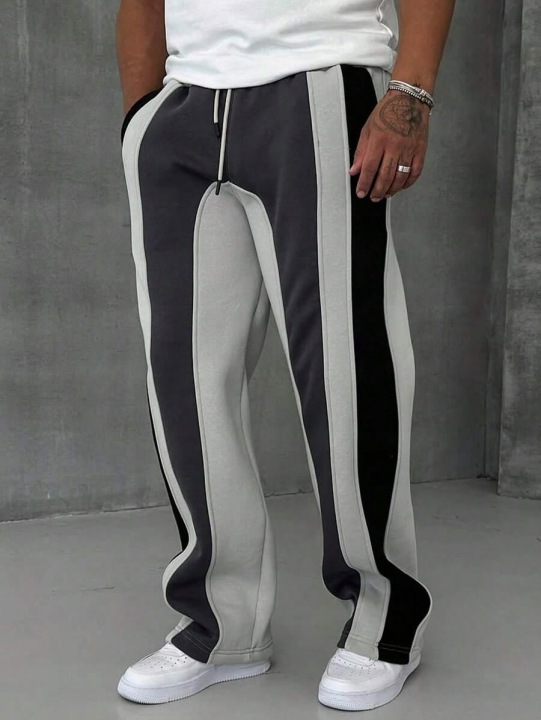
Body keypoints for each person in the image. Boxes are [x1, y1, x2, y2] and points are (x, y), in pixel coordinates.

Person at [115, 0, 455, 711]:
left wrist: (410, 93)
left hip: (317, 81)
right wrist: (142, 118)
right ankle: (221, 627)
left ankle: (385, 621)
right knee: (185, 380)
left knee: (345, 367)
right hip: (184, 103)